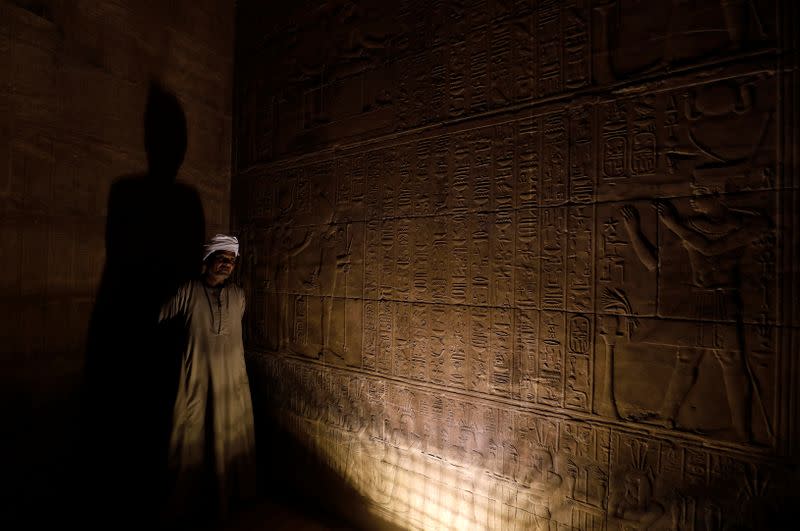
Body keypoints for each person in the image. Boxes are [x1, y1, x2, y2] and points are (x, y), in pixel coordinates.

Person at [158, 234, 256, 524]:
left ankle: (229, 498)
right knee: (194, 436)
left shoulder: (238, 296)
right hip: (196, 379)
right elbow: (159, 318)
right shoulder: (188, 290)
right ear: (207, 259)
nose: (226, 264)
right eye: (221, 258)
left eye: (231, 260)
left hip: (232, 380)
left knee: (228, 434)